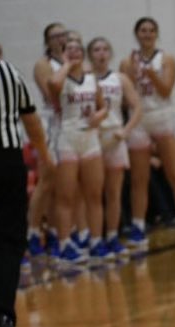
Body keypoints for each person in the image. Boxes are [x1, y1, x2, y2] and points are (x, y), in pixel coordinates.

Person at [0, 54, 53, 327]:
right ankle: (2, 315)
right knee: (7, 241)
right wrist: (45, 157)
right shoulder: (7, 69)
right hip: (9, 161)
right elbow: (31, 120)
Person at [121, 17, 175, 247]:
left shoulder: (166, 59)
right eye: (143, 30)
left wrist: (149, 73)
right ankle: (137, 227)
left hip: (163, 118)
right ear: (136, 34)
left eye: (151, 30)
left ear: (157, 34)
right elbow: (125, 100)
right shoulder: (127, 63)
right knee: (139, 178)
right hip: (139, 119)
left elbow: (165, 90)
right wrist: (135, 76)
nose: (147, 34)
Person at [47, 38, 107, 266]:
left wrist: (100, 116)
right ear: (63, 55)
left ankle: (96, 240)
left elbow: (103, 106)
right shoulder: (59, 78)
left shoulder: (92, 79)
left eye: (77, 50)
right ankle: (64, 244)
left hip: (90, 138)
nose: (74, 53)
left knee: (94, 194)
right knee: (66, 196)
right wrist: (66, 65)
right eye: (68, 50)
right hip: (68, 138)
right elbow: (52, 85)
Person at [89, 37, 141, 260]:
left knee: (114, 193)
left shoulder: (119, 78)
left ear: (110, 53)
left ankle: (112, 236)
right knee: (92, 194)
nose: (101, 53)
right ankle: (93, 238)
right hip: (93, 139)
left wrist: (126, 131)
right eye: (96, 49)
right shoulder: (86, 79)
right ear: (90, 54)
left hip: (115, 137)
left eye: (104, 49)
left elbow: (137, 107)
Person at [28, 22, 67, 259]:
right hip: (51, 125)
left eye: (63, 34)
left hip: (71, 125)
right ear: (47, 41)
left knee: (62, 185)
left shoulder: (74, 61)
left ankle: (55, 232)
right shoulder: (43, 65)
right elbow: (51, 95)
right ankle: (32, 232)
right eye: (54, 36)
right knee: (46, 181)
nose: (59, 39)